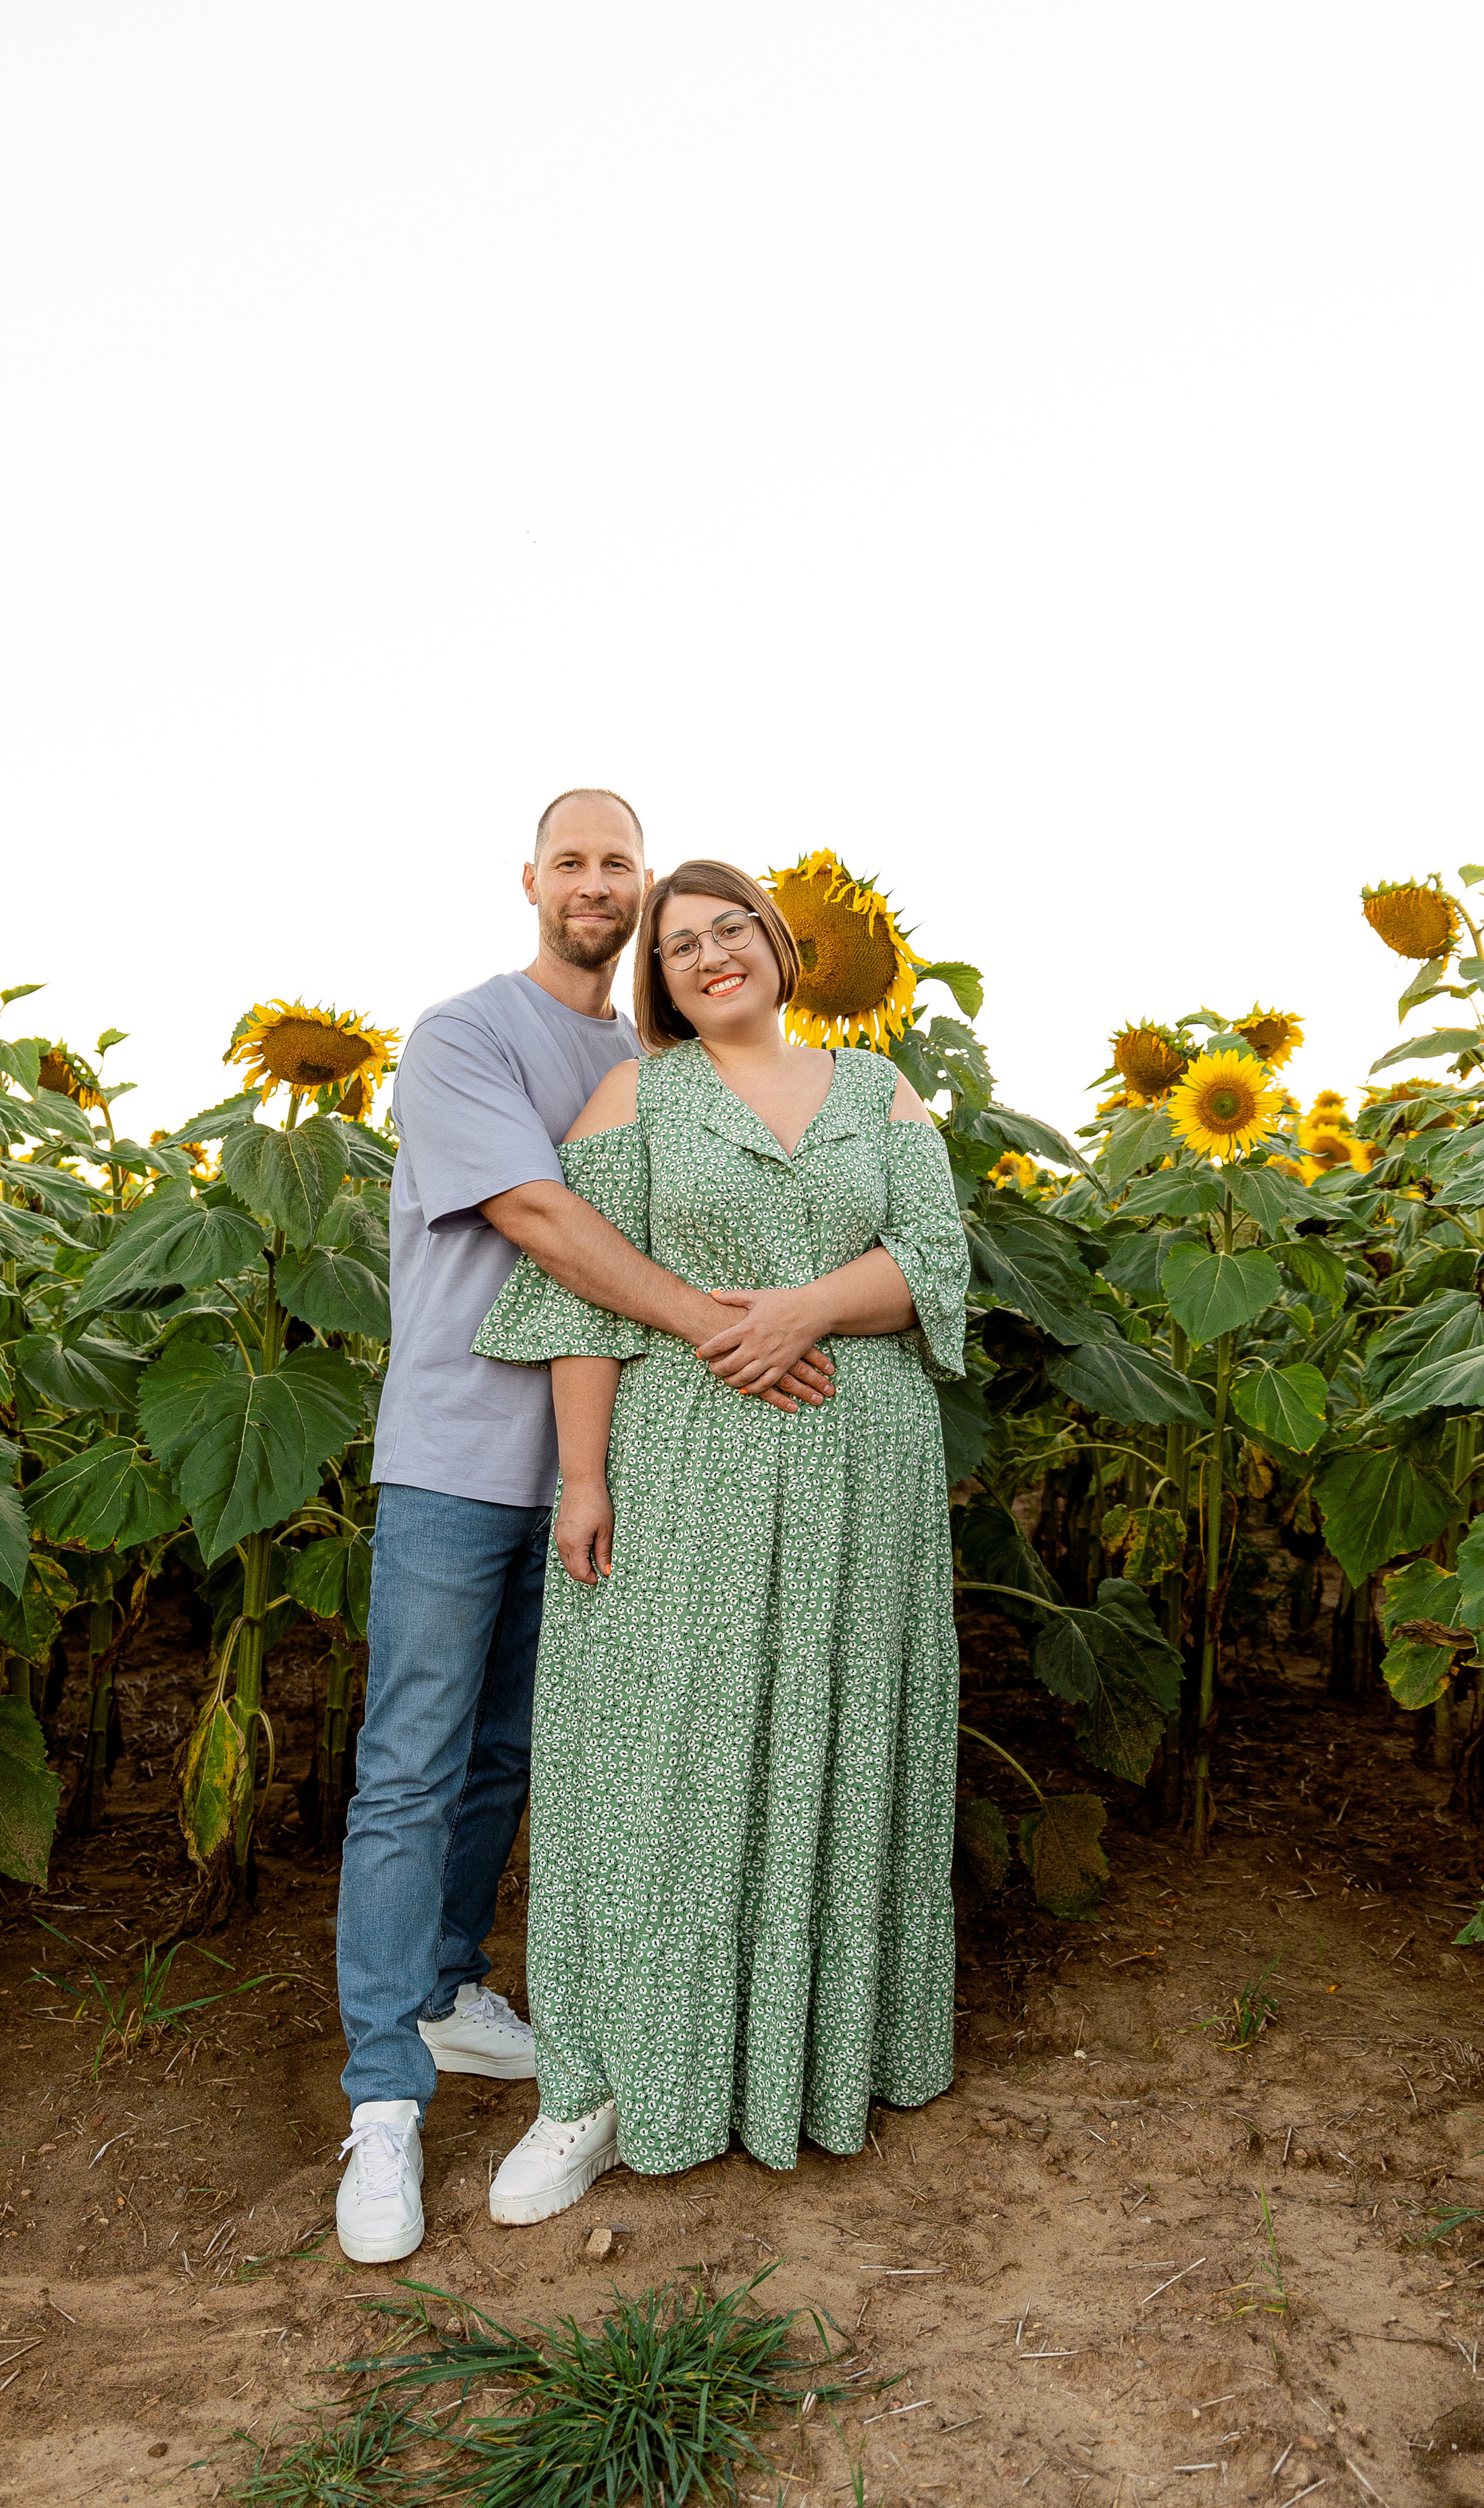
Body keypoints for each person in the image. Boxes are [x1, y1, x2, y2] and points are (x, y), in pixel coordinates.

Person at [334, 798, 835, 2265]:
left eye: (621, 863)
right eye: (574, 862)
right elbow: (541, 1219)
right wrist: (721, 1327)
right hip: (456, 1453)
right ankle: (383, 2097)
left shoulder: (647, 1062)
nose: (597, 885)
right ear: (532, 883)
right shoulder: (465, 1037)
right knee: (411, 1764)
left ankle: (446, 1990)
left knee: (518, 1750)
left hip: (608, 1469)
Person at [475, 857, 971, 2224]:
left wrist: (804, 1307)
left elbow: (931, 1259)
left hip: (859, 1480)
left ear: (776, 943)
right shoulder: (635, 1099)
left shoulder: (878, 1090)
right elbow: (581, 1296)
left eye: (728, 927)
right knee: (653, 1757)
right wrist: (583, 1479)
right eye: (678, 944)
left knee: (831, 1741)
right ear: (663, 982)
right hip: (682, 1472)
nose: (708, 954)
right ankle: (605, 2082)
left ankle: (808, 2063)